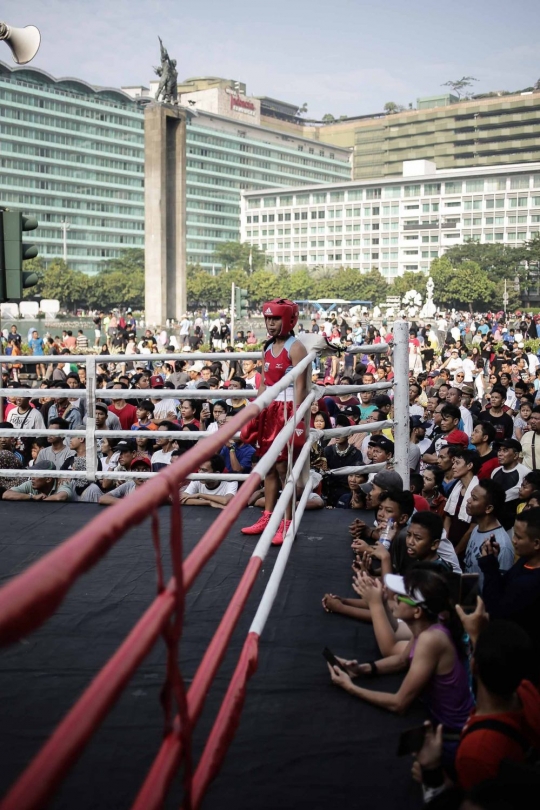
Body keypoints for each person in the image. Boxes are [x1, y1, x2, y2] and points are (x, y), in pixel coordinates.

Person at [327, 568, 474, 766]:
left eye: (401, 597)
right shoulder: (427, 625)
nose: (394, 598)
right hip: (435, 719)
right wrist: (361, 669)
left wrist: (350, 687)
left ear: (417, 611)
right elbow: (401, 661)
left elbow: (399, 704)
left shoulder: (431, 639)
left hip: (451, 736)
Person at [414, 618, 540, 795]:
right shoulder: (527, 690)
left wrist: (434, 777)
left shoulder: (475, 751)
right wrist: (475, 634)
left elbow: (473, 803)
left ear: (473, 666)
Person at [241, 299, 308, 545]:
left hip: (288, 409)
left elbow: (301, 387)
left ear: (288, 320)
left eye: (275, 319)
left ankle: (286, 522)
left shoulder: (296, 347)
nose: (270, 324)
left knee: (283, 469)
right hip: (269, 410)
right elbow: (263, 384)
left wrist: (296, 419)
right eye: (268, 319)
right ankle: (267, 517)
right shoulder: (267, 346)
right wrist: (256, 410)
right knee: (267, 466)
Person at [479, 507, 540, 662]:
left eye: (519, 537)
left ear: (536, 543)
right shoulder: (526, 560)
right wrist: (493, 558)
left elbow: (495, 610)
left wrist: (489, 565)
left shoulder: (531, 583)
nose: (513, 540)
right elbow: (504, 585)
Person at [463, 479, 515, 586]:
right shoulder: (476, 529)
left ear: (488, 508)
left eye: (474, 499)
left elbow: (502, 586)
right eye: (471, 496)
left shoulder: (501, 545)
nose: (468, 500)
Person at [443, 448, 480, 548]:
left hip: (467, 545)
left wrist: (456, 550)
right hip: (450, 543)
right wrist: (445, 543)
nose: (453, 466)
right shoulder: (455, 486)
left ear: (469, 465)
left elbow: (473, 527)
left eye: (457, 463)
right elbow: (448, 517)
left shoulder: (479, 491)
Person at [491, 438, 530, 517]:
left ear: (515, 455)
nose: (500, 454)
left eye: (505, 450)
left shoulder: (525, 473)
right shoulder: (495, 471)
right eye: (499, 450)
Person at [3, 459, 75, 501]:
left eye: (36, 474)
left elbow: (60, 497)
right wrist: (32, 497)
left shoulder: (62, 482)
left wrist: (39, 501)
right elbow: (6, 495)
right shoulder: (31, 483)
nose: (32, 477)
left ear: (48, 479)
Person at [521, 405, 540, 470]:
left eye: (536, 419)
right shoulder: (526, 435)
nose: (532, 421)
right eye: (531, 418)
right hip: (527, 477)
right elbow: (520, 457)